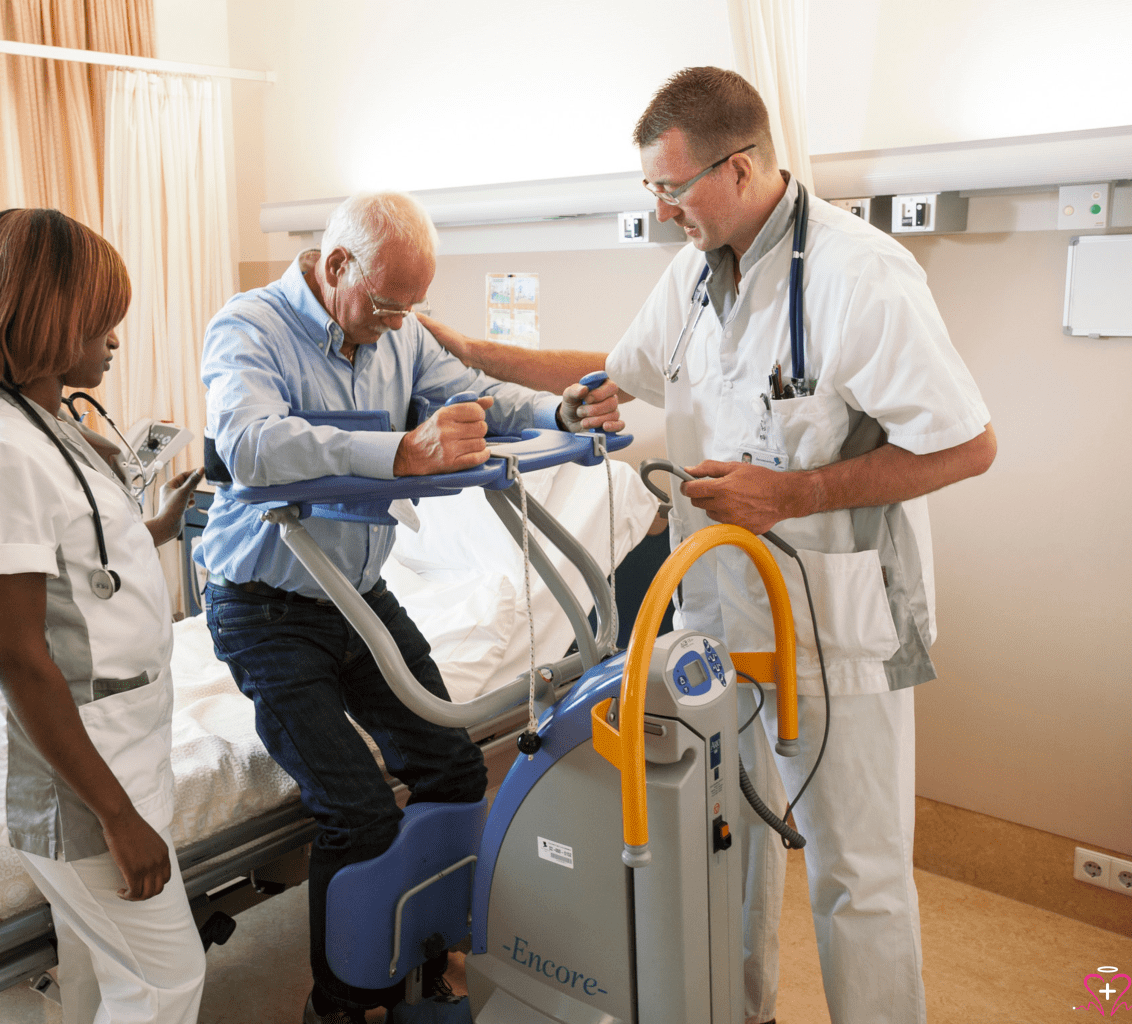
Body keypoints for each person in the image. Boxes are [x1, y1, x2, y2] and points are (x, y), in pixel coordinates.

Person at [420, 68, 997, 1024]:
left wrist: (794, 492)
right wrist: (475, 353)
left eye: (671, 188)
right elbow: (620, 369)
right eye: (650, 188)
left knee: (859, 878)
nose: (658, 208)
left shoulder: (862, 275)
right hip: (719, 619)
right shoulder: (691, 273)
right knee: (728, 846)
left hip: (834, 630)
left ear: (738, 168)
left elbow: (967, 443)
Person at [197, 190, 621, 1024]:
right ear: (335, 264)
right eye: (388, 303)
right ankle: (345, 1002)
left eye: (413, 307)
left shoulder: (402, 332)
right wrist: (401, 450)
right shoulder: (249, 327)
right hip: (266, 607)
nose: (398, 323)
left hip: (361, 594)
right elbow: (249, 442)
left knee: (453, 768)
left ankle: (428, 943)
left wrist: (557, 409)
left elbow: (476, 399)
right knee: (355, 810)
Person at [0, 208, 207, 1024]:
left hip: (115, 735)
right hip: (73, 770)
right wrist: (116, 815)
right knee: (165, 978)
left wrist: (158, 529)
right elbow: (18, 657)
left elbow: (73, 569)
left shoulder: (44, 423)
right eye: (101, 320)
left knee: (98, 968)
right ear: (46, 318)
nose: (113, 338)